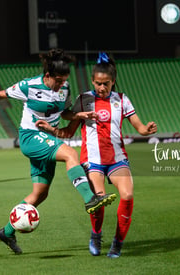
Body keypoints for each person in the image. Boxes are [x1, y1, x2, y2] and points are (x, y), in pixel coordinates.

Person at [0, 48, 117, 255]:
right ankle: (90, 199)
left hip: (48, 139)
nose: (61, 84)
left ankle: (7, 232)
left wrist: (79, 114)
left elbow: (64, 113)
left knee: (40, 194)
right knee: (71, 154)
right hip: (30, 137)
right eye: (58, 80)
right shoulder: (29, 86)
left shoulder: (65, 88)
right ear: (47, 76)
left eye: (64, 80)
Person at [36, 52, 157, 258]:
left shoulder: (122, 100)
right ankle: (96, 234)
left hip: (117, 159)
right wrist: (50, 129)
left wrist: (147, 129)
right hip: (93, 161)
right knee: (98, 201)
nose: (102, 87)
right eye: (98, 83)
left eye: (106, 83)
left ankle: (118, 242)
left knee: (127, 195)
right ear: (93, 81)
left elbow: (139, 127)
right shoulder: (84, 100)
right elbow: (69, 132)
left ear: (113, 81)